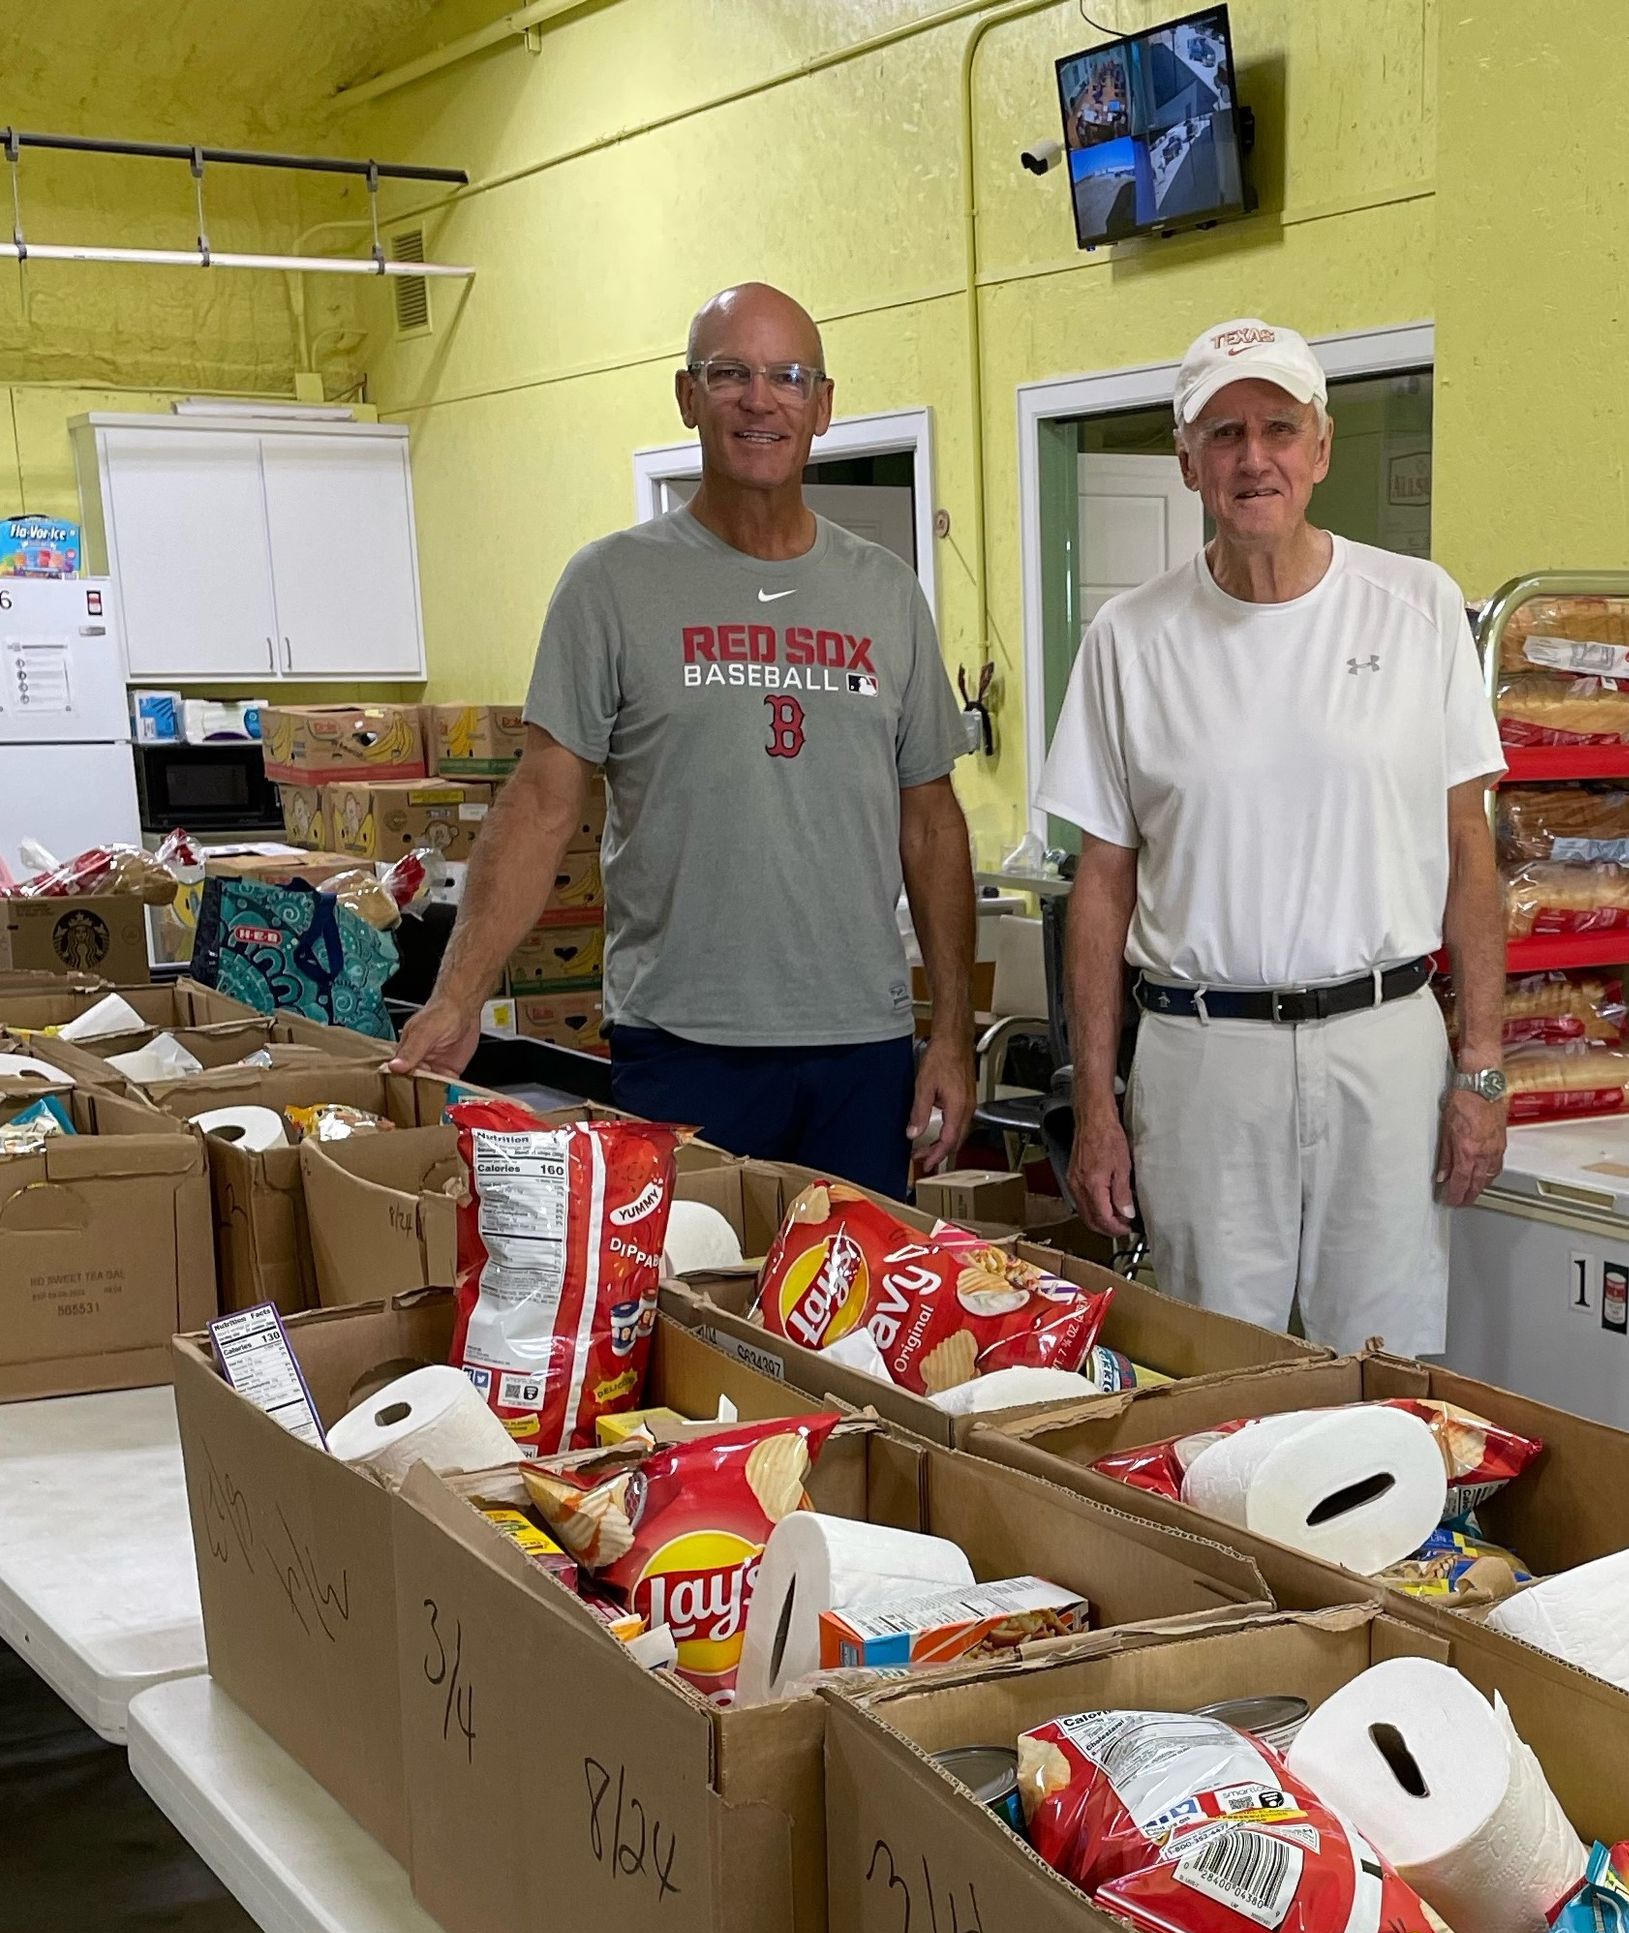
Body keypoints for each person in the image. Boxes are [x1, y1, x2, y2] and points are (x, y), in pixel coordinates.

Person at [393, 281, 976, 1197]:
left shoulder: (887, 594)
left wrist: (950, 1032)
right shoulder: (611, 586)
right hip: (682, 1046)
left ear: (823, 406)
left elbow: (932, 824)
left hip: (860, 1051)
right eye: (729, 373)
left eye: (787, 376)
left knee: (853, 1332)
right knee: (681, 1315)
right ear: (686, 396)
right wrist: (459, 994)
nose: (759, 398)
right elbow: (544, 802)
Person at [1040, 316, 1508, 1355]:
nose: (1255, 457)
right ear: (1187, 462)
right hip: (1204, 1060)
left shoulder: (1417, 607)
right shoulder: (1130, 639)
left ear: (1322, 449)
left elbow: (1470, 850)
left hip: (1384, 1047)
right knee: (1213, 1368)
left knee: (1383, 1374)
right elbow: (1101, 885)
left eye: (1279, 428)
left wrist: (1480, 1067)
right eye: (1224, 433)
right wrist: (1097, 1104)